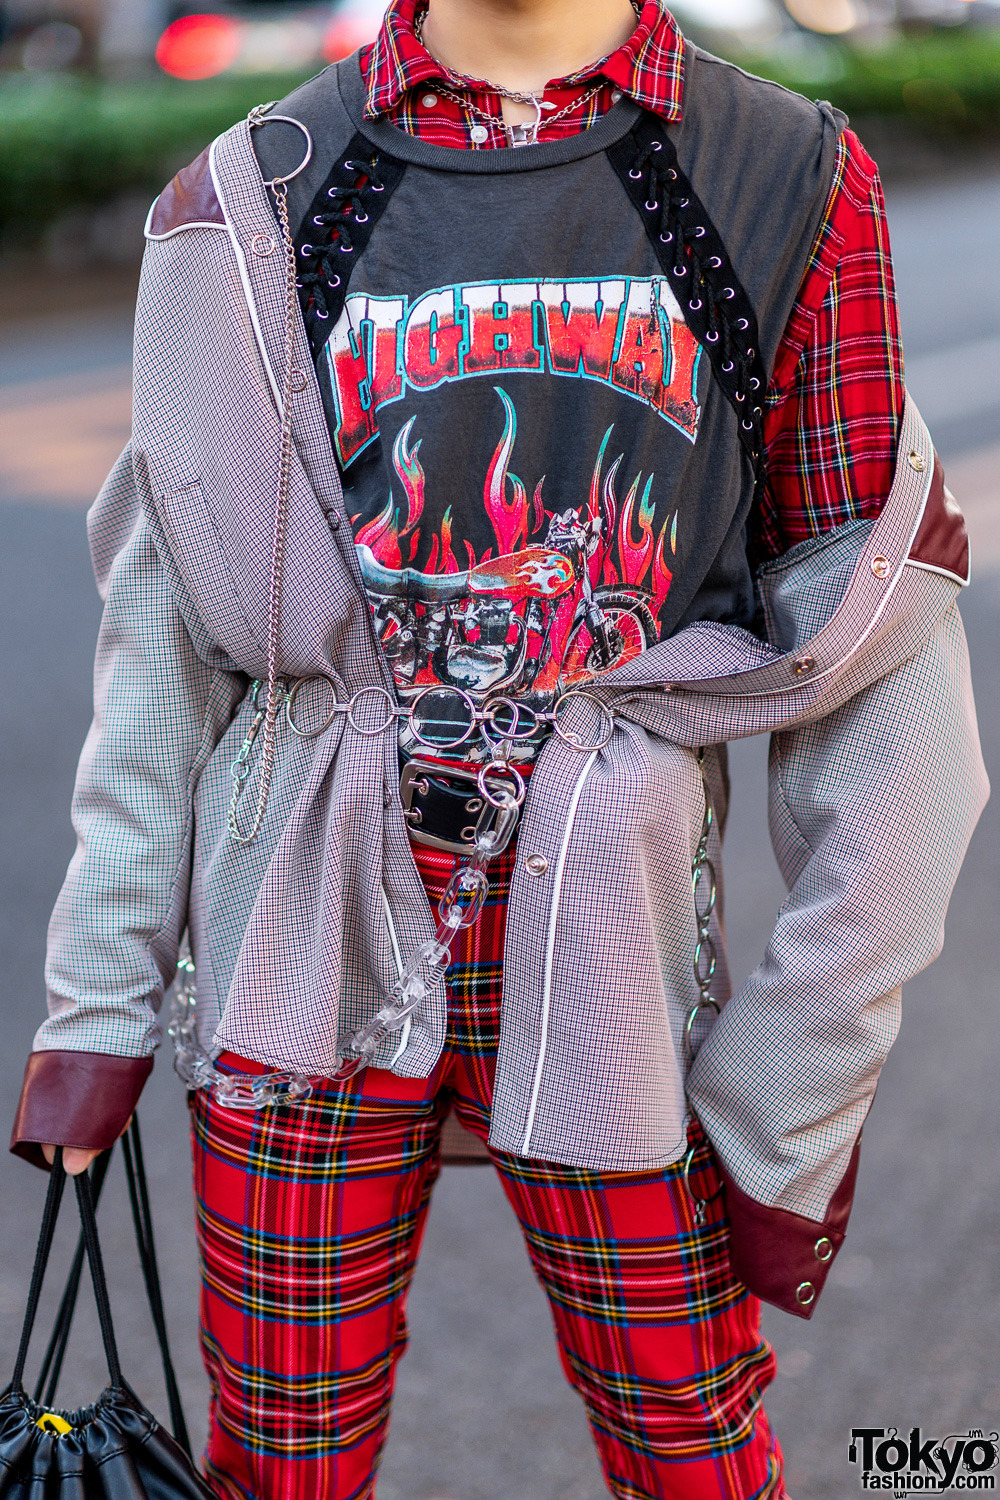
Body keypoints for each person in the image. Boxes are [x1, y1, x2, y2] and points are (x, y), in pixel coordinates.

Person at [10, 1, 988, 1496]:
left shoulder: (786, 173)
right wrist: (99, 1008)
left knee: (694, 1446)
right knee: (280, 1458)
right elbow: (165, 632)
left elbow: (880, 641)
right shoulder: (255, 189)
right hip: (297, 949)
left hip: (622, 956)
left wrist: (792, 1085)